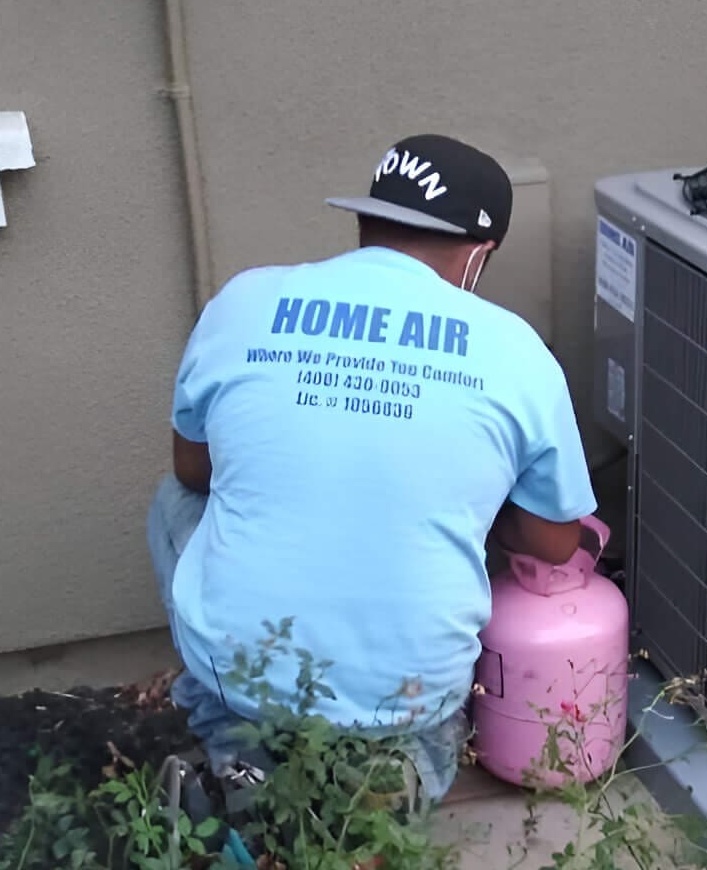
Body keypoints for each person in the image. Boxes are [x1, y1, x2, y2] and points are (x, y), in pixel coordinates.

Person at [148, 133, 597, 806]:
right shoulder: (516, 351)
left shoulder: (243, 301)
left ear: (364, 221)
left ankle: (235, 763)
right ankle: (386, 788)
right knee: (401, 753)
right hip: (407, 696)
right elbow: (555, 542)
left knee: (171, 505)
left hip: (244, 671)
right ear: (480, 254)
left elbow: (191, 471)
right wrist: (471, 491)